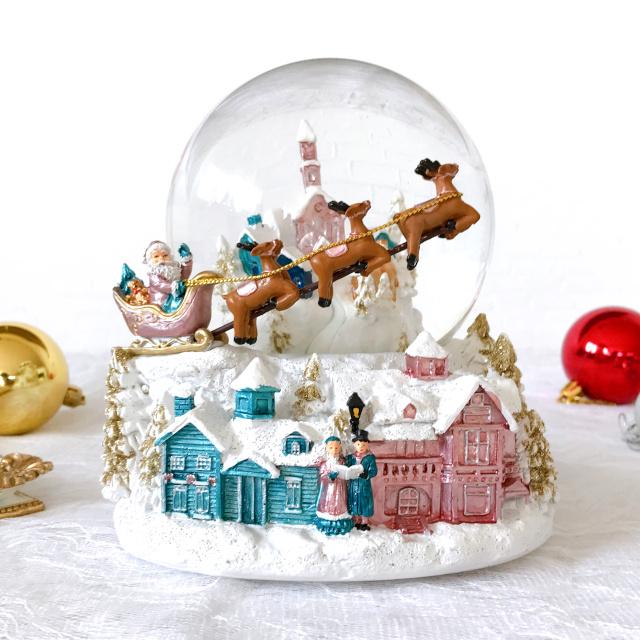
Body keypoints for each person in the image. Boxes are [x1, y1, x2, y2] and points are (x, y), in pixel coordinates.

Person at [315, 436, 362, 536]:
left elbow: (346, 472)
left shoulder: (343, 462)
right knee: (330, 502)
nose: (334, 450)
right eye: (331, 448)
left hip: (341, 488)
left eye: (336, 448)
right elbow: (322, 476)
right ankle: (329, 519)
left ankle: (341, 518)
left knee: (341, 501)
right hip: (329, 490)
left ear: (340, 448)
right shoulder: (325, 464)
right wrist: (329, 477)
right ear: (326, 448)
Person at [143, 241, 192, 312]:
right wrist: (175, 287)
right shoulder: (153, 273)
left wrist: (186, 260)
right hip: (162, 301)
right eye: (156, 256)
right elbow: (160, 285)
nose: (161, 258)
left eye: (165, 255)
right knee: (180, 305)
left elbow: (184, 276)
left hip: (177, 294)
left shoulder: (174, 268)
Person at [345, 430, 378, 531]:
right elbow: (346, 467)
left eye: (364, 445)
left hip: (364, 485)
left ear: (367, 445)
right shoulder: (351, 458)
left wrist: (367, 474)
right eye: (358, 444)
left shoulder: (370, 458)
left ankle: (364, 522)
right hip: (353, 484)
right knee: (354, 501)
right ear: (355, 445)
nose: (361, 447)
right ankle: (356, 520)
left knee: (365, 503)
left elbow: (374, 471)